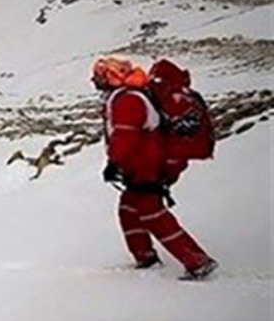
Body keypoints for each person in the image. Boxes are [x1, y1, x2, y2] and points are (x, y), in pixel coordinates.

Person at [93, 57, 217, 280]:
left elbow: (125, 136)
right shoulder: (131, 96)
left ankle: (197, 262)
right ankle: (145, 258)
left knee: (151, 212)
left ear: (110, 77)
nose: (95, 82)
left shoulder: (127, 100)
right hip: (147, 164)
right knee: (129, 209)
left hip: (147, 166)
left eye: (99, 77)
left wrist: (113, 162)